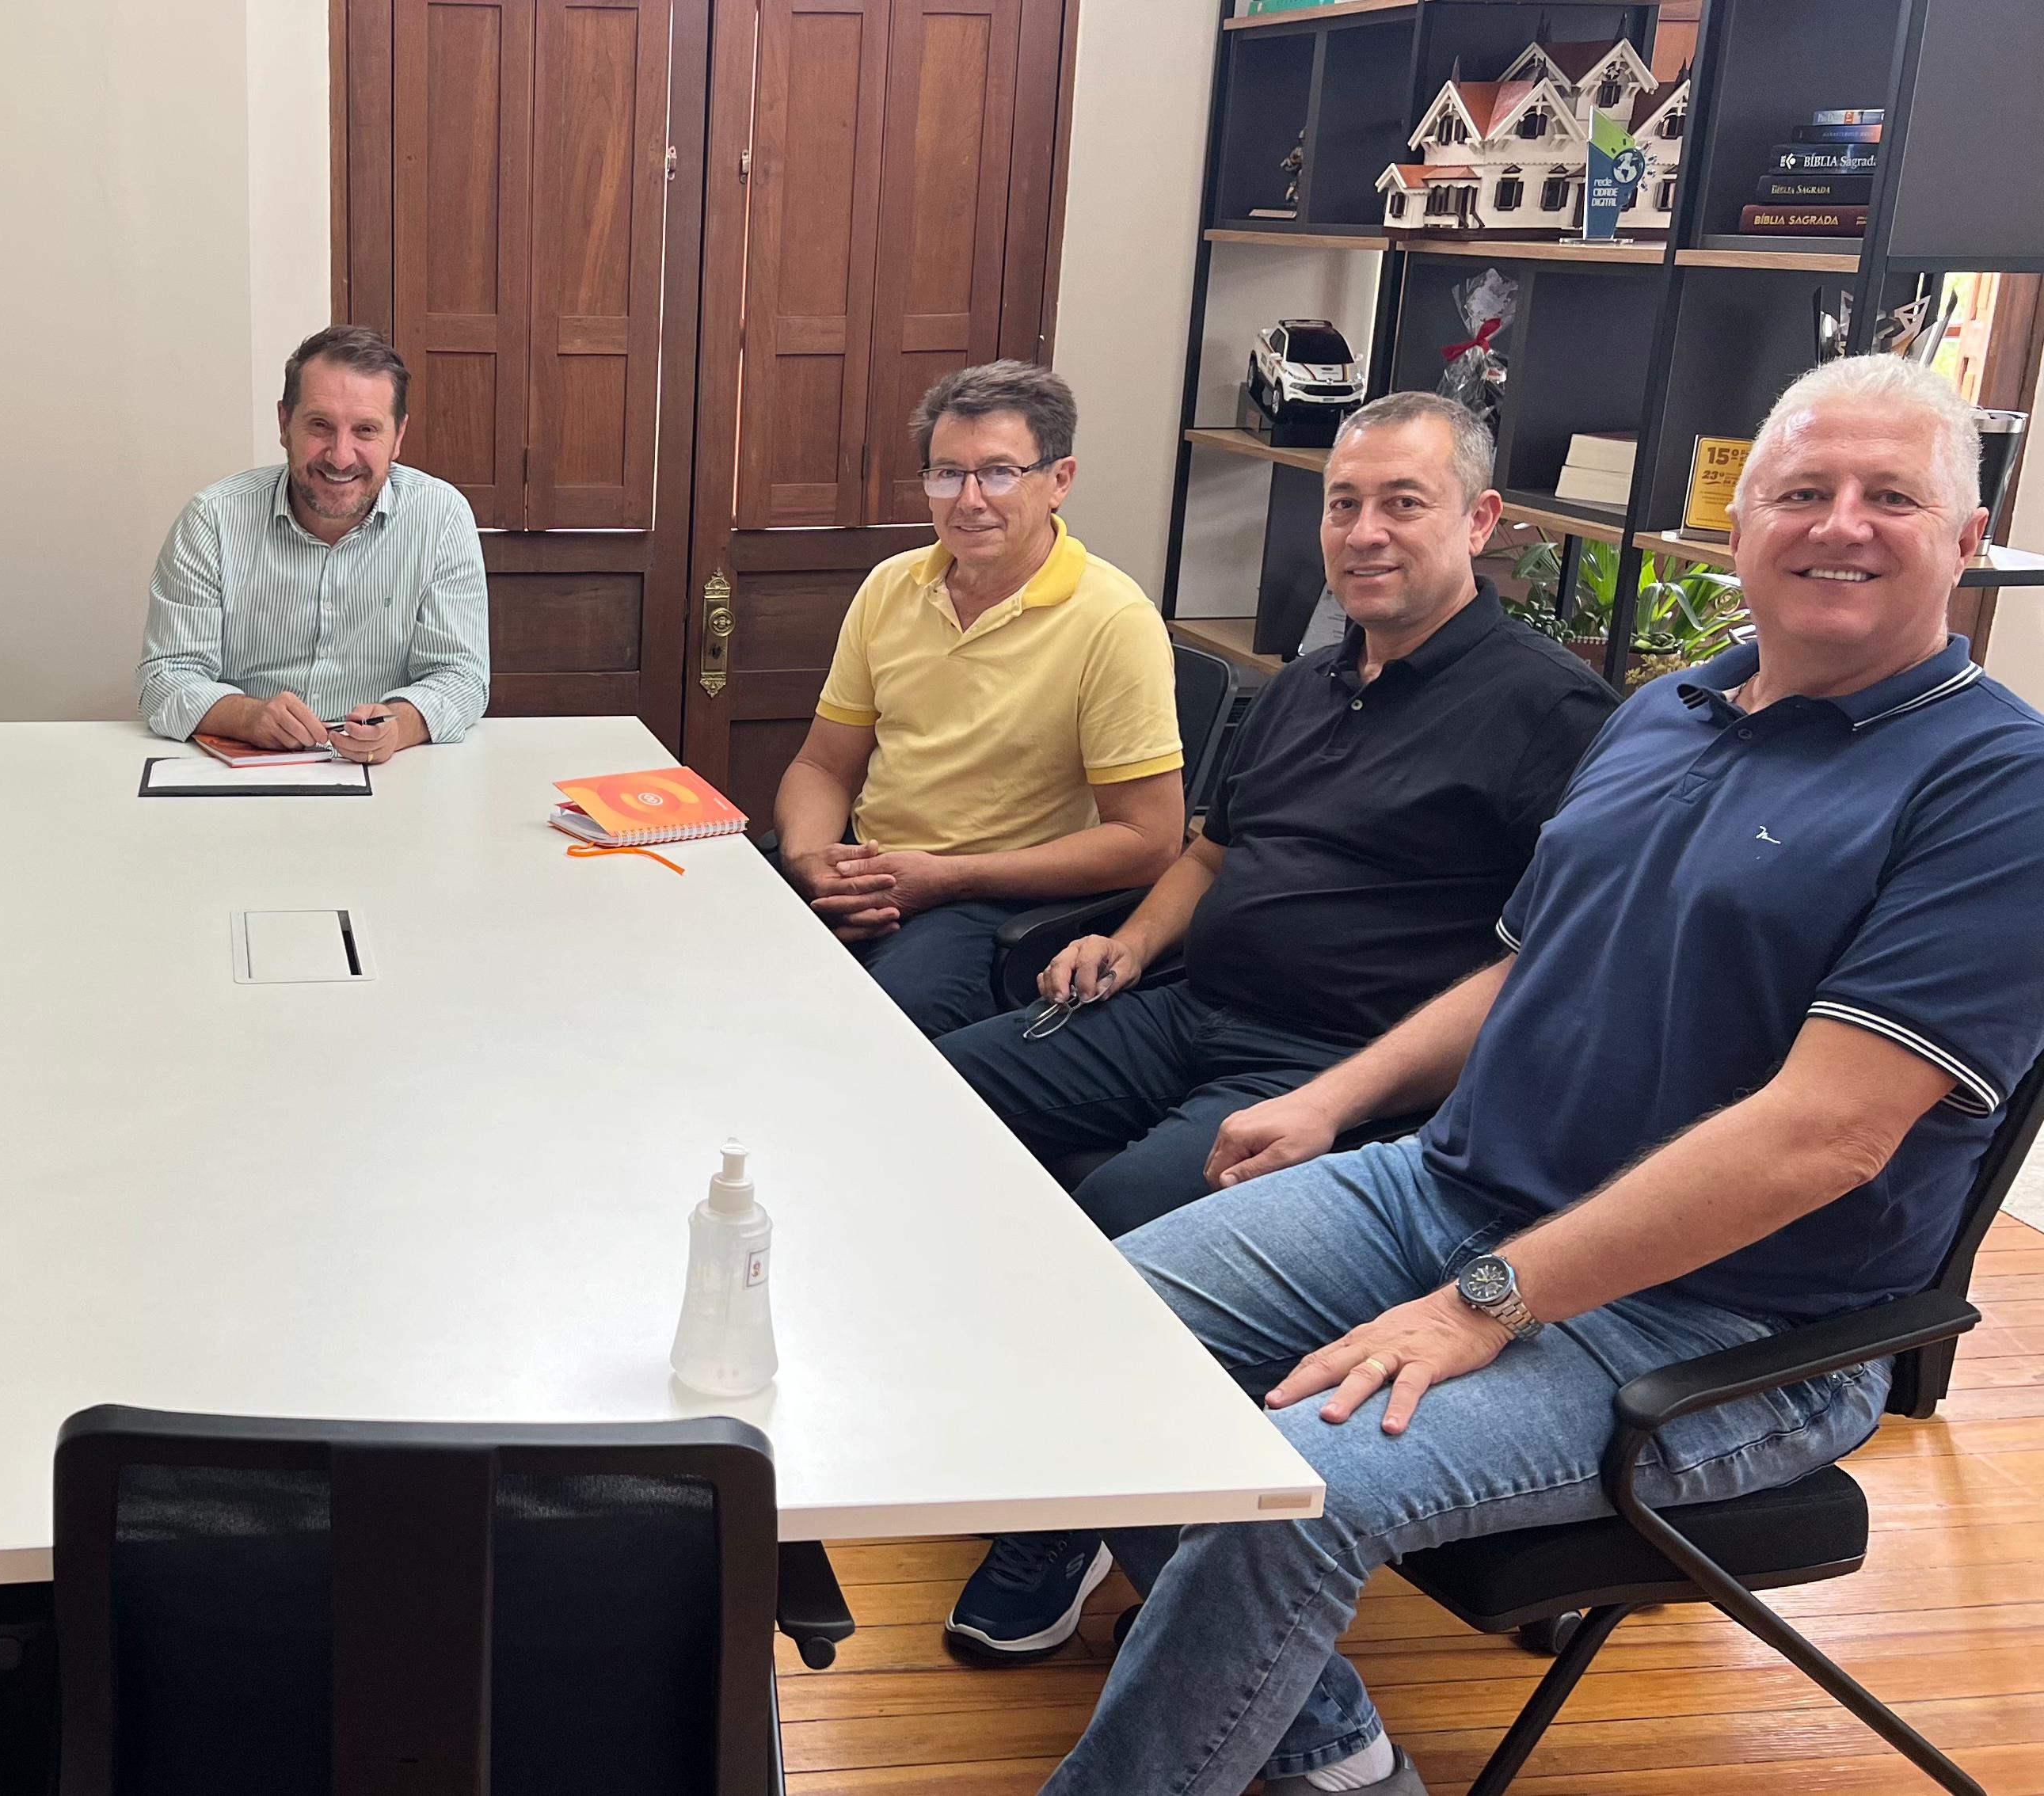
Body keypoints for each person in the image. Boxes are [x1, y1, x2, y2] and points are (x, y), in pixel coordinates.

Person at [1007, 356, 2044, 1796]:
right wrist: (1336, 1096)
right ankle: (1338, 1756)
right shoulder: (1667, 710)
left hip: (1722, 1319)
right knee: (1083, 1341)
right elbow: (1522, 965)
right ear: (1738, 524)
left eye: (1892, 497)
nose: (1839, 525)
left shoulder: (1998, 785)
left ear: (1968, 537)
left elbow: (1826, 1137)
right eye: (1802, 490)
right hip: (1449, 1189)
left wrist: (1481, 1301)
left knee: (1295, 1491)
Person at [931, 393, 1613, 1292]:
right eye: (1343, 504)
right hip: (1188, 1009)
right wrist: (1128, 944)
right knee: (929, 1097)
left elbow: (1555, 966)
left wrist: (1338, 1098)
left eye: (1404, 504)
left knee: (1120, 1215)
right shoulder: (1303, 683)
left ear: (1479, 521)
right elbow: (1212, 852)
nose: (1364, 533)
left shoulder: (1554, 712)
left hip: (1337, 1061)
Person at [775, 362, 1187, 1038]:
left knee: (869, 1033)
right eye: (947, 474)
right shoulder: (890, 586)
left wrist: (948, 878)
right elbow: (823, 765)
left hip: (991, 898)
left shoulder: (1115, 620)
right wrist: (813, 860)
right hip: (869, 866)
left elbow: (1150, 843)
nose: (969, 500)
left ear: (1059, 481)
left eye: (999, 473)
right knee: (713, 968)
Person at [137, 324, 489, 766]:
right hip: (241, 776)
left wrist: (397, 727)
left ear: (398, 437)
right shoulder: (213, 518)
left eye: (366, 430)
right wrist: (247, 717)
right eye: (320, 425)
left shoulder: (441, 516)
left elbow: (460, 676)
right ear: (285, 424)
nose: (340, 456)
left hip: (389, 775)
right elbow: (165, 677)